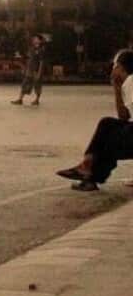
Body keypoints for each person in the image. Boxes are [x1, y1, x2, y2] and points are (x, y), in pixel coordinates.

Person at [56, 49, 133, 191]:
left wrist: (116, 86)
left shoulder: (130, 81)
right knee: (107, 124)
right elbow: (125, 117)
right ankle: (89, 170)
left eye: (115, 65)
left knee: (106, 139)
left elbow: (123, 117)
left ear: (119, 67)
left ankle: (89, 171)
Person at [11, 34, 46, 106]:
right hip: (29, 70)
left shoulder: (41, 50)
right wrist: (25, 68)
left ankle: (37, 100)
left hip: (36, 70)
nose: (34, 40)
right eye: (34, 39)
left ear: (40, 40)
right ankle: (20, 99)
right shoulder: (32, 49)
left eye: (36, 39)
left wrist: (39, 72)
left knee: (37, 85)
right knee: (25, 84)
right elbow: (29, 59)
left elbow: (41, 62)